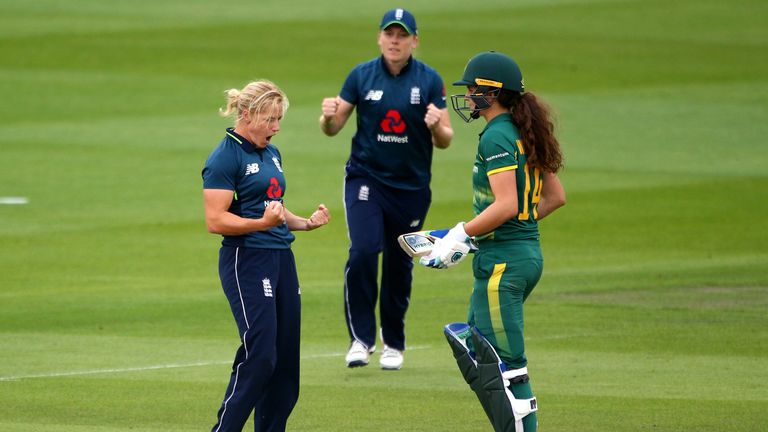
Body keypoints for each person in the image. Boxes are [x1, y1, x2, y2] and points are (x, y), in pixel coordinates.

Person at [421, 51, 566, 432]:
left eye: (472, 88)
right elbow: (553, 198)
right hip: (524, 255)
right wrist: (483, 235)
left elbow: (506, 205)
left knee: (506, 368)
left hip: (503, 264)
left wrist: (463, 233)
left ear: (493, 92)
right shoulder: (525, 131)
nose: (467, 95)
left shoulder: (498, 136)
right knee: (478, 347)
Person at [319, 8, 454, 370]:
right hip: (367, 178)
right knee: (364, 251)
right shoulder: (361, 75)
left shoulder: (428, 80)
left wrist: (436, 126)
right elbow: (332, 128)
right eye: (389, 34)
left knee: (399, 263)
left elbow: (446, 139)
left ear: (414, 40)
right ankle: (360, 340)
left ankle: (393, 342)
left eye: (402, 35)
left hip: (410, 187)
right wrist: (328, 115)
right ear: (380, 37)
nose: (395, 41)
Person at [202, 79, 330, 432]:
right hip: (247, 260)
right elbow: (215, 220)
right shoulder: (225, 157)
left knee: (286, 362)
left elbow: (275, 207)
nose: (276, 128)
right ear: (246, 114)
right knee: (260, 357)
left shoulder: (271, 152)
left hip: (281, 259)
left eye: (279, 120)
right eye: (270, 119)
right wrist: (261, 223)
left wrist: (304, 223)